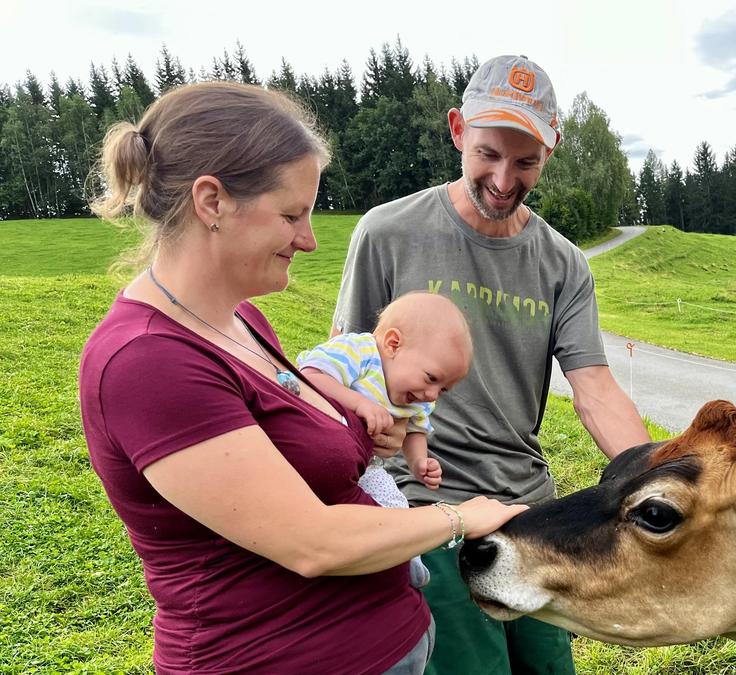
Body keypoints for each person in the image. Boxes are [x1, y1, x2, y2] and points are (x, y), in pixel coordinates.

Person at [78, 81, 526, 675]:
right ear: (211, 201)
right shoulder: (146, 362)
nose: (309, 239)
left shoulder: (241, 320)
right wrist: (462, 516)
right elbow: (311, 542)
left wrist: (368, 434)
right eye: (291, 214)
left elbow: (287, 456)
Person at [333, 55, 652, 675]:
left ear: (549, 153)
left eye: (525, 161)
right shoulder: (388, 233)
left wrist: (655, 482)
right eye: (487, 154)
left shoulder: (563, 265)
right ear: (457, 130)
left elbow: (594, 389)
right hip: (426, 506)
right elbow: (342, 369)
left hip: (528, 512)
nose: (504, 179)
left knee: (549, 668)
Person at [296, 291, 475, 587]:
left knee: (393, 502)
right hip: (313, 449)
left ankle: (405, 560)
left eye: (443, 389)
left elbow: (416, 429)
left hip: (369, 468)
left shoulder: (418, 396)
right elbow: (310, 376)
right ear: (393, 344)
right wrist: (359, 404)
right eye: (431, 378)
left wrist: (419, 462)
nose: (432, 395)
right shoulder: (361, 352)